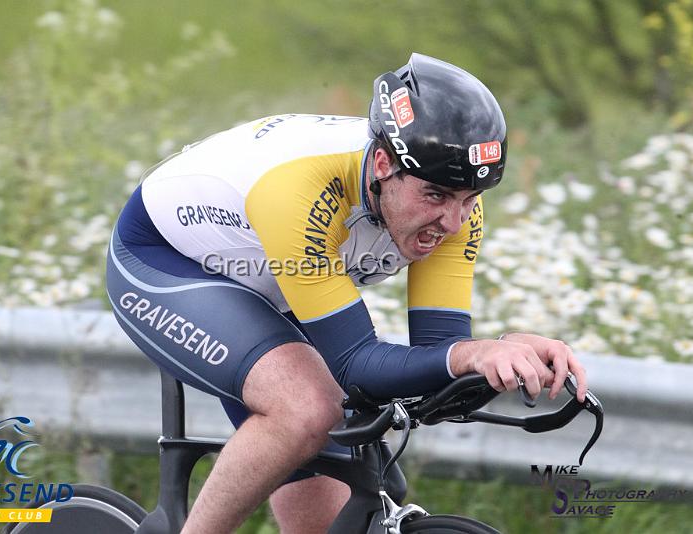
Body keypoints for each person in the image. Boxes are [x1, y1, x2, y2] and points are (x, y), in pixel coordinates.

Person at [106, 53, 587, 534]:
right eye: (436, 196)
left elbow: (440, 356)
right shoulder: (299, 189)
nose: (454, 222)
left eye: (470, 201)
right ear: (382, 164)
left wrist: (506, 349)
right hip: (167, 261)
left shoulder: (454, 206)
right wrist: (470, 356)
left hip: (278, 282)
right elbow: (356, 365)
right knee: (307, 409)